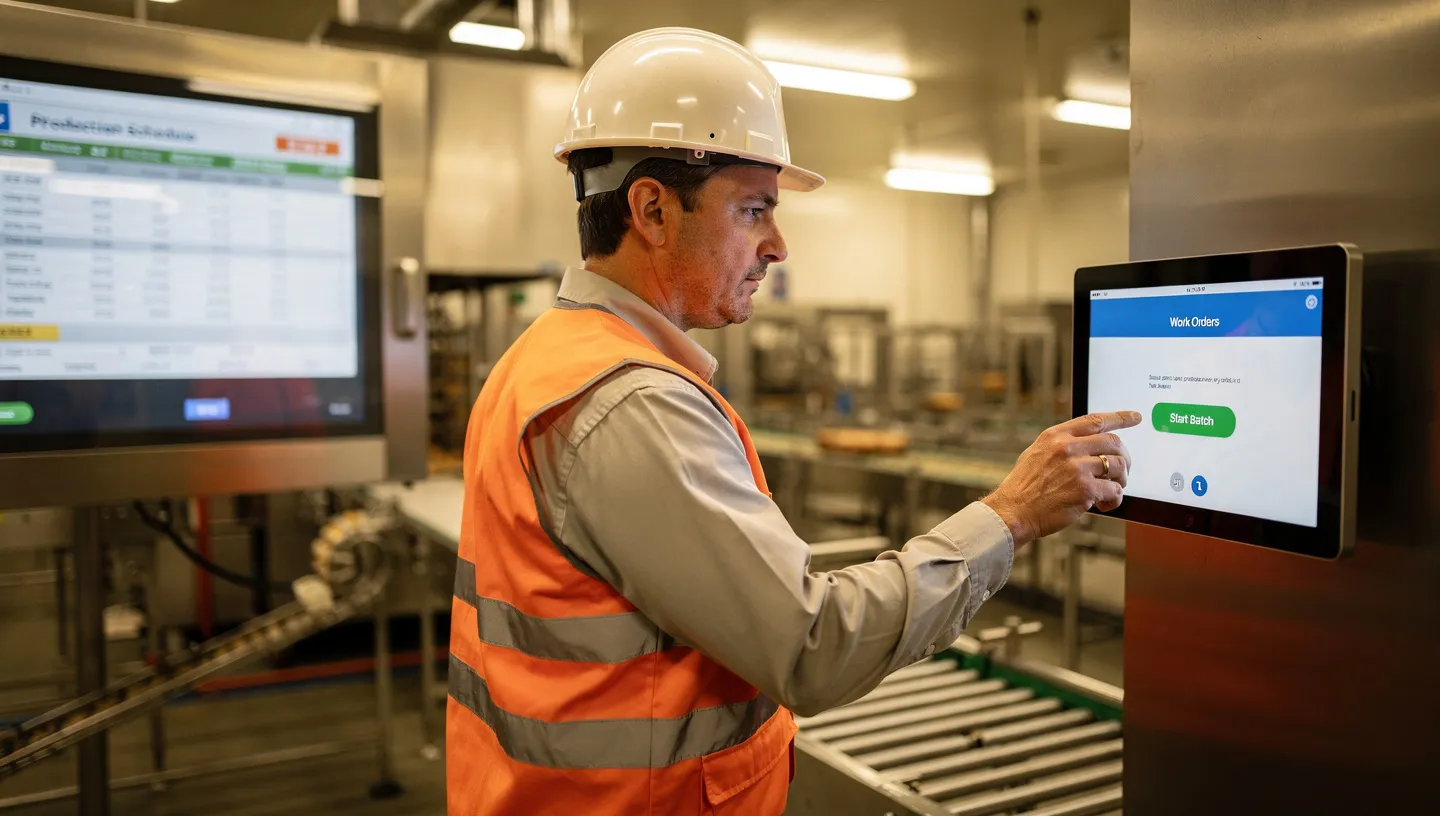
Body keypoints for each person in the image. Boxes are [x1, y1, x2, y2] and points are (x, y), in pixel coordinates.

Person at [445, 27, 1138, 816]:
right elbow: (813, 648)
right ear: (652, 210)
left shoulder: (545, 358)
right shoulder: (631, 403)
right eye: (753, 210)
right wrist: (1009, 516)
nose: (777, 245)